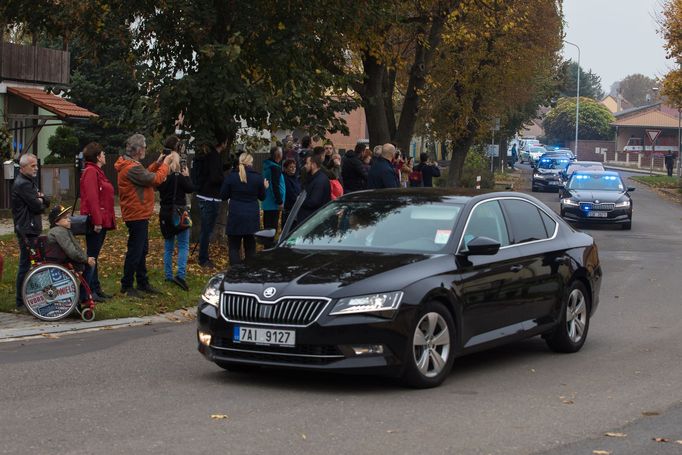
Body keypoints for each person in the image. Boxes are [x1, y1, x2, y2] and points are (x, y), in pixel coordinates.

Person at [115, 133, 172, 298]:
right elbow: (153, 180)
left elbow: (145, 174)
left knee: (141, 249)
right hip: (136, 213)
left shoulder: (130, 164)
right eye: (145, 147)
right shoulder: (131, 167)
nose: (145, 150)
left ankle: (142, 281)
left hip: (138, 213)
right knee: (136, 250)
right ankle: (127, 285)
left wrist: (158, 163)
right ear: (139, 150)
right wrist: (166, 165)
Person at [11, 153, 50, 309]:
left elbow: (45, 200)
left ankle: (27, 297)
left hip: (30, 228)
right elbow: (38, 206)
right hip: (27, 229)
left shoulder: (29, 181)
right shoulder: (23, 184)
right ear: (23, 167)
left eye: (36, 165)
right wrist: (40, 199)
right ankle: (20, 301)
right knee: (26, 264)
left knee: (31, 263)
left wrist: (42, 198)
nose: (36, 168)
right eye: (32, 166)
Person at [79, 142, 116, 302]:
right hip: (95, 221)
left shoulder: (97, 171)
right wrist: (98, 221)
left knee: (95, 255)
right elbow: (93, 198)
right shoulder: (90, 172)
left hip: (101, 220)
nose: (105, 156)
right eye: (103, 154)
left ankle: (95, 288)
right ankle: (87, 291)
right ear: (98, 156)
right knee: (92, 256)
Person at [157, 137, 195, 291]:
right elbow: (190, 188)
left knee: (168, 246)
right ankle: (180, 274)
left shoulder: (162, 178)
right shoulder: (180, 177)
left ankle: (168, 275)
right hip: (180, 212)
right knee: (184, 245)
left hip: (165, 212)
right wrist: (187, 176)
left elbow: (158, 186)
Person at [220, 152, 268, 266]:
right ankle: (248, 273)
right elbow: (262, 197)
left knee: (234, 247)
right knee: (250, 246)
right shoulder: (257, 177)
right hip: (251, 215)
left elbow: (223, 196)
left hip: (235, 214)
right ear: (250, 163)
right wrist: (265, 187)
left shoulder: (231, 177)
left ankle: (235, 273)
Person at [193, 132, 226, 268]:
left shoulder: (207, 155)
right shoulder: (214, 156)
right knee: (207, 229)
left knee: (205, 229)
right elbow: (214, 178)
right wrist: (224, 179)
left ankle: (203, 256)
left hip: (203, 195)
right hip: (210, 197)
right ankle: (203, 258)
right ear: (223, 143)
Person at [46, 205, 96, 270]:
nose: (69, 220)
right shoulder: (59, 231)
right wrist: (86, 259)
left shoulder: (63, 229)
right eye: (65, 218)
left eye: (68, 217)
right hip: (64, 263)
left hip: (66, 260)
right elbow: (71, 251)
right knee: (90, 265)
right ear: (56, 222)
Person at [297, 150, 331, 223]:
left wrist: (299, 201)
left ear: (313, 164)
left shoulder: (320, 181)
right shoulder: (314, 178)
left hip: (314, 221)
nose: (305, 166)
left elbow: (313, 202)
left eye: (307, 163)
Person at [262, 146, 285, 231]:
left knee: (268, 227)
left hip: (268, 202)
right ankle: (269, 244)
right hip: (273, 203)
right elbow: (275, 185)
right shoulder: (274, 168)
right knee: (271, 228)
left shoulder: (268, 165)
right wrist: (279, 201)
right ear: (279, 155)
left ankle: (267, 243)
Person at [282, 158, 301, 227]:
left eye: (294, 167)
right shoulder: (284, 178)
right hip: (289, 209)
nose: (293, 169)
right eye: (291, 167)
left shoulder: (296, 178)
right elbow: (291, 194)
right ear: (285, 168)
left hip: (296, 207)